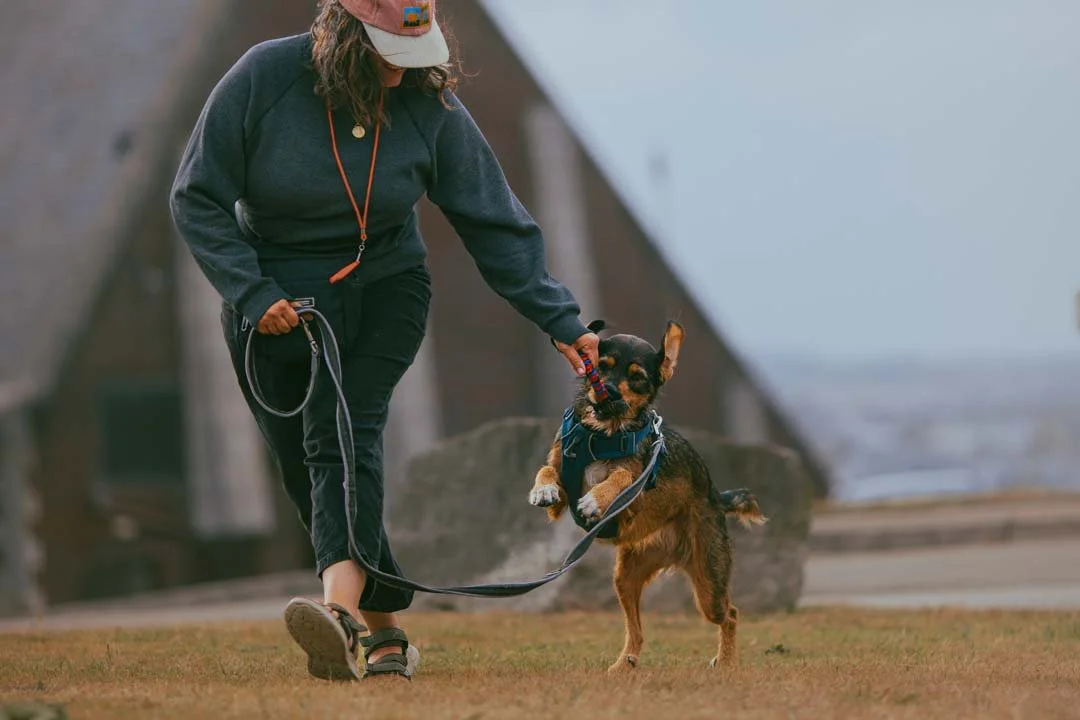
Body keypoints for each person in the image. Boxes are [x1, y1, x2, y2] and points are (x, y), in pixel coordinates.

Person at [169, 0, 599, 683]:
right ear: (343, 37)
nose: (403, 74)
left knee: (344, 433)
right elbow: (196, 197)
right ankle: (387, 632)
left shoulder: (430, 102)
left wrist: (561, 320)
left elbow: (492, 218)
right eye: (386, 57)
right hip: (279, 298)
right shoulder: (262, 79)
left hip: (388, 288)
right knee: (305, 466)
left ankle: (336, 614)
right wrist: (254, 294)